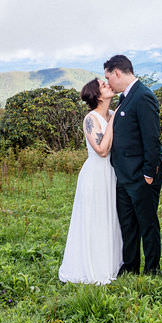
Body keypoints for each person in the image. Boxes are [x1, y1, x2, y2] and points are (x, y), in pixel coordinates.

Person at [104, 54, 162, 276]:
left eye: (108, 77)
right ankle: (130, 267)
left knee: (147, 224)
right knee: (128, 224)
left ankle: (152, 269)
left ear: (118, 73)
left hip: (142, 175)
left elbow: (152, 139)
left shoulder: (143, 96)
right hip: (124, 175)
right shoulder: (125, 97)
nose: (108, 82)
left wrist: (149, 174)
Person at [58, 78, 122, 284]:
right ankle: (90, 266)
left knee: (110, 217)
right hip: (95, 175)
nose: (108, 85)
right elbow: (102, 150)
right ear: (97, 95)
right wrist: (113, 122)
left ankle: (111, 262)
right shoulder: (90, 119)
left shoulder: (112, 113)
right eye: (103, 85)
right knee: (95, 219)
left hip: (111, 174)